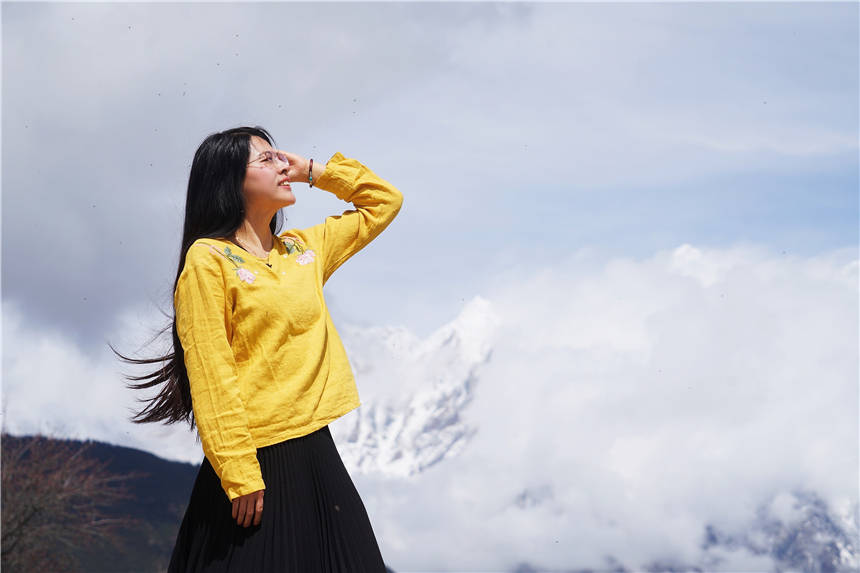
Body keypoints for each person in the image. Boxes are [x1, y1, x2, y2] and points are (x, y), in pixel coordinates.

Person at [116, 126, 403, 572]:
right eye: (266, 159)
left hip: (316, 450)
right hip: (256, 463)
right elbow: (211, 371)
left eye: (280, 157)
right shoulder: (208, 261)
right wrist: (238, 472)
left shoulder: (302, 250)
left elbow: (384, 202)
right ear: (230, 181)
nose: (281, 165)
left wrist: (313, 171)